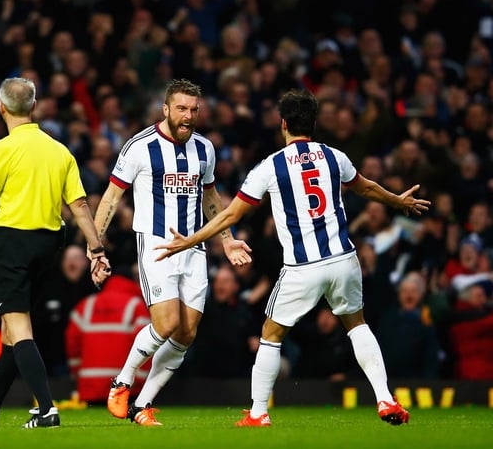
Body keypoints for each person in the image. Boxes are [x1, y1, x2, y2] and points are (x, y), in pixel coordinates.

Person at [156, 89, 429, 426]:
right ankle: (386, 399)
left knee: (270, 335)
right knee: (357, 325)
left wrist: (190, 241)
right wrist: (398, 202)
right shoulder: (334, 156)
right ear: (313, 123)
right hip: (344, 259)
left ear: (283, 123)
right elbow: (366, 187)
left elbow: (230, 216)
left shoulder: (271, 166)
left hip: (303, 267)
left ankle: (258, 412)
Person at [93, 79, 251, 426]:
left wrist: (226, 239)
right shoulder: (139, 147)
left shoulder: (205, 149)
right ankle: (122, 382)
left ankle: (141, 405)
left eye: (194, 109)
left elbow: (211, 198)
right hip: (156, 245)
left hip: (194, 249)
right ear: (165, 109)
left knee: (187, 333)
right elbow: (111, 197)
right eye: (181, 108)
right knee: (165, 324)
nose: (188, 116)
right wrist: (95, 247)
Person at [0, 77, 111, 429]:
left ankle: (46, 410)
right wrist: (96, 247)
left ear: (1, 107)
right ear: (34, 107)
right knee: (10, 330)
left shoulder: (1, 150)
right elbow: (79, 205)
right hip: (49, 244)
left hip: (13, 241)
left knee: (19, 326)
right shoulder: (60, 151)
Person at [65, 269, 151, 403]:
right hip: (125, 387)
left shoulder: (86, 305)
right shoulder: (136, 306)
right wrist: (140, 379)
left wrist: (77, 374)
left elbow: (72, 343)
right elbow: (147, 346)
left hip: (90, 384)